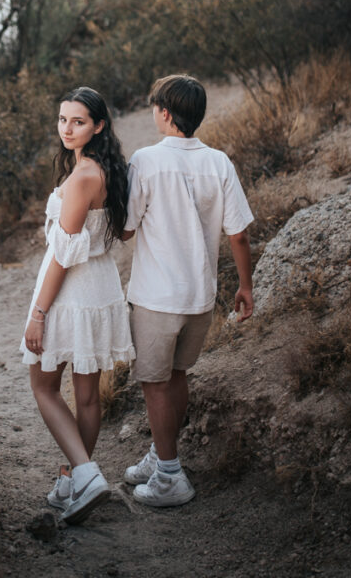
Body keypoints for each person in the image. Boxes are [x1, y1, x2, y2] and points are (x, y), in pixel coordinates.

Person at [121, 74, 254, 507]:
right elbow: (239, 235)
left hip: (158, 297)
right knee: (176, 377)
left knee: (155, 384)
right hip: (200, 296)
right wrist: (245, 286)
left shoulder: (145, 160)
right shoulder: (219, 162)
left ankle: (171, 477)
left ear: (164, 112)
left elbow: (126, 229)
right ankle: (163, 458)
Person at [20, 87, 135, 525]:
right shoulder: (111, 168)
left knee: (44, 386)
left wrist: (38, 313)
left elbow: (63, 256)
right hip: (102, 287)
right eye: (63, 120)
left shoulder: (84, 174)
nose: (67, 129)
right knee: (87, 397)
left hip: (71, 294)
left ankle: (86, 474)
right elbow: (123, 233)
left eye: (78, 121)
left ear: (99, 125)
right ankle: (73, 477)